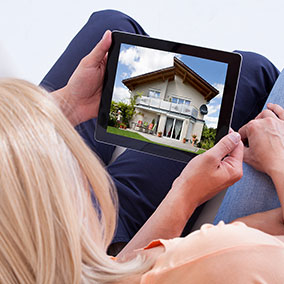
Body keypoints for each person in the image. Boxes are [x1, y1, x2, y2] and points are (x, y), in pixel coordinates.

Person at [40, 10, 280, 254]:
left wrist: (70, 103)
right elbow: (119, 277)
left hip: (27, 175)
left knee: (112, 26)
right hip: (81, 236)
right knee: (250, 70)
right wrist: (185, 194)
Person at [1, 78, 284, 283]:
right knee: (256, 74)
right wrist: (278, 161)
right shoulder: (218, 254)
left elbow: (121, 272)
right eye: (68, 149)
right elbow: (253, 242)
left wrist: (184, 194)